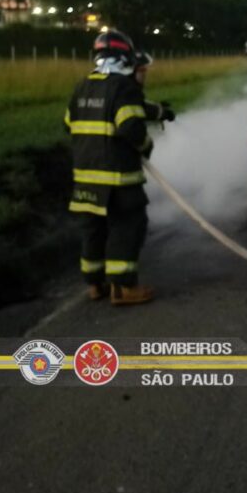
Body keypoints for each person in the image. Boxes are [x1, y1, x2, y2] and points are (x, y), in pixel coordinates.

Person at [64, 31, 172, 305]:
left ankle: (95, 284)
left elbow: (70, 123)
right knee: (128, 225)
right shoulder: (124, 87)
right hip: (118, 178)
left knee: (94, 229)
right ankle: (123, 288)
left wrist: (160, 112)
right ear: (125, 58)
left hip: (86, 178)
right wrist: (146, 145)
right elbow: (130, 126)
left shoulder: (83, 86)